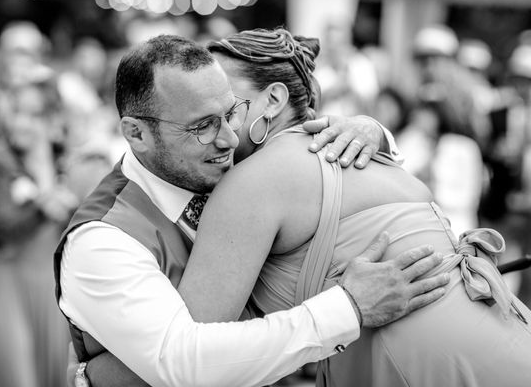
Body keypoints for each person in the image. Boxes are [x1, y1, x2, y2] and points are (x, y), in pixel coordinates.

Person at [55, 34, 449, 387]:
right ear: (136, 134)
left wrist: (372, 131)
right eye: (203, 127)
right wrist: (347, 308)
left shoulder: (228, 174)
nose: (228, 138)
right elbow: (183, 365)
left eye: (232, 113)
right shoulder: (103, 240)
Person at [174, 29, 530, 386]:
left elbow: (191, 352)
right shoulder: (369, 152)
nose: (208, 109)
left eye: (226, 101)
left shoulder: (255, 180)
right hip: (508, 343)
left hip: (430, 369)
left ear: (273, 101)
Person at [0, 77, 76, 387]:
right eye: (16, 112)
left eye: (34, 114)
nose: (21, 123)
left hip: (52, 292)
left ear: (52, 119)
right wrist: (42, 208)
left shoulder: (65, 161)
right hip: (4, 286)